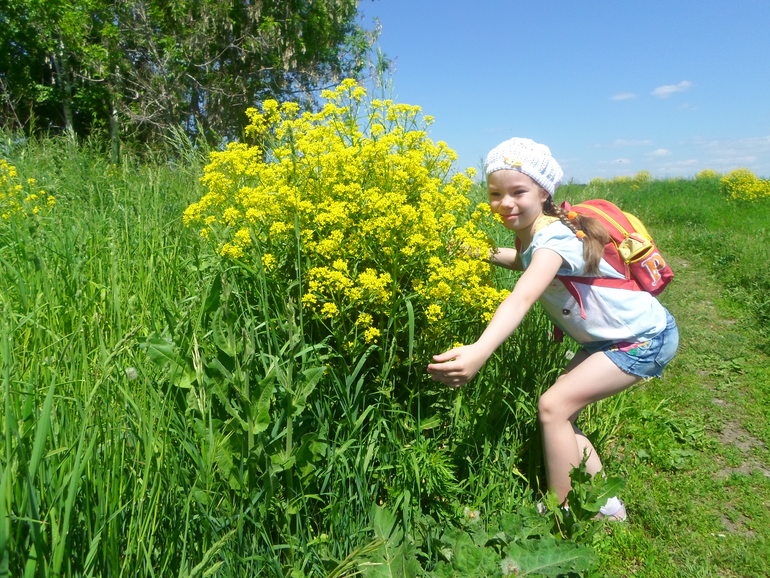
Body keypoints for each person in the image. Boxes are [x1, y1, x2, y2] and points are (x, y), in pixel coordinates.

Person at [426, 137, 679, 520]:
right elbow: (527, 262)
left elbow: (522, 297)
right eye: (495, 193)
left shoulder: (554, 237)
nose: (504, 203)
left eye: (517, 192)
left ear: (543, 192)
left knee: (553, 407)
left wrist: (479, 350)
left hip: (642, 339)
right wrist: (478, 251)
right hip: (610, 340)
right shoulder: (544, 232)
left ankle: (562, 512)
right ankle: (603, 505)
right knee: (562, 412)